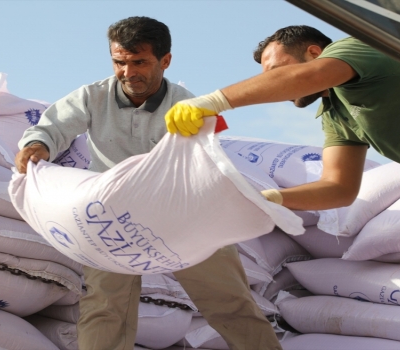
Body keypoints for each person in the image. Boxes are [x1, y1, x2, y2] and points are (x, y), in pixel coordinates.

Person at [164, 25, 400, 350]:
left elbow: (308, 77)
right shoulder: (336, 115)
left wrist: (214, 101)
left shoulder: (358, 48)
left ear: (314, 52)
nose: (272, 82)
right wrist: (270, 199)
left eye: (275, 70)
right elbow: (337, 188)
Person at [15, 16, 282, 350]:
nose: (128, 73)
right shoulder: (92, 97)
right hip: (112, 219)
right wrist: (37, 146)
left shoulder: (187, 106)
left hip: (183, 216)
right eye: (119, 62)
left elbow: (203, 163)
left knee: (230, 302)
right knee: (105, 306)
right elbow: (53, 127)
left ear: (165, 61)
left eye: (139, 62)